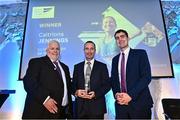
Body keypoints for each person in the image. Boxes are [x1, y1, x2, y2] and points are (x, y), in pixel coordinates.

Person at [22, 40, 72, 119]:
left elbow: (68, 87)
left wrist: (77, 91)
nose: (55, 51)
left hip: (60, 114)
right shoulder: (37, 62)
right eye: (52, 48)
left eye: (57, 49)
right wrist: (45, 99)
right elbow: (29, 82)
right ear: (47, 50)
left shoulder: (65, 67)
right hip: (40, 113)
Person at [111, 29, 153, 119]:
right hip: (121, 106)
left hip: (139, 104)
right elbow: (114, 81)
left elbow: (146, 77)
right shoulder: (115, 60)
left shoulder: (140, 54)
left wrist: (130, 95)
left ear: (128, 38)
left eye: (122, 36)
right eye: (117, 38)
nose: (120, 39)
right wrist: (116, 94)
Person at [72, 41, 110, 119]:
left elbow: (107, 85)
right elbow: (72, 85)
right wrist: (76, 92)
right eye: (87, 49)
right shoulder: (77, 67)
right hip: (80, 108)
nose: (89, 51)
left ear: (95, 51)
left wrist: (96, 93)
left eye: (91, 49)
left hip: (97, 107)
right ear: (84, 50)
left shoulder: (102, 66)